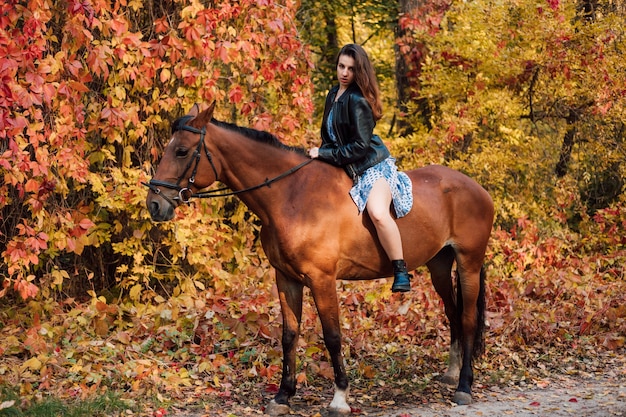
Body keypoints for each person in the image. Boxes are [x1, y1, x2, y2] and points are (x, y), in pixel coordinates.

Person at [308, 43, 413, 293]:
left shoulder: (358, 101)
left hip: (371, 166)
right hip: (345, 165)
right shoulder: (332, 94)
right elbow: (330, 137)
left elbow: (359, 147)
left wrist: (324, 154)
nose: (344, 72)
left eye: (351, 69)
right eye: (341, 66)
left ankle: (400, 270)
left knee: (377, 212)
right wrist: (322, 159)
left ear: (359, 72)